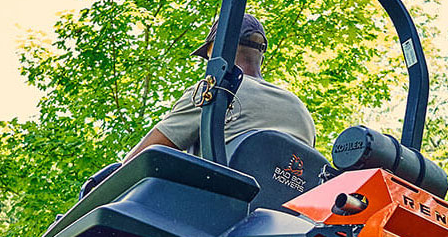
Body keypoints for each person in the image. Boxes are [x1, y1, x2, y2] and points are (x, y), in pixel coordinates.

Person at [122, 13, 316, 164]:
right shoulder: (300, 110)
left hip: (218, 207)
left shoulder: (213, 90)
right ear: (261, 56)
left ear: (217, 49)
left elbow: (140, 159)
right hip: (287, 214)